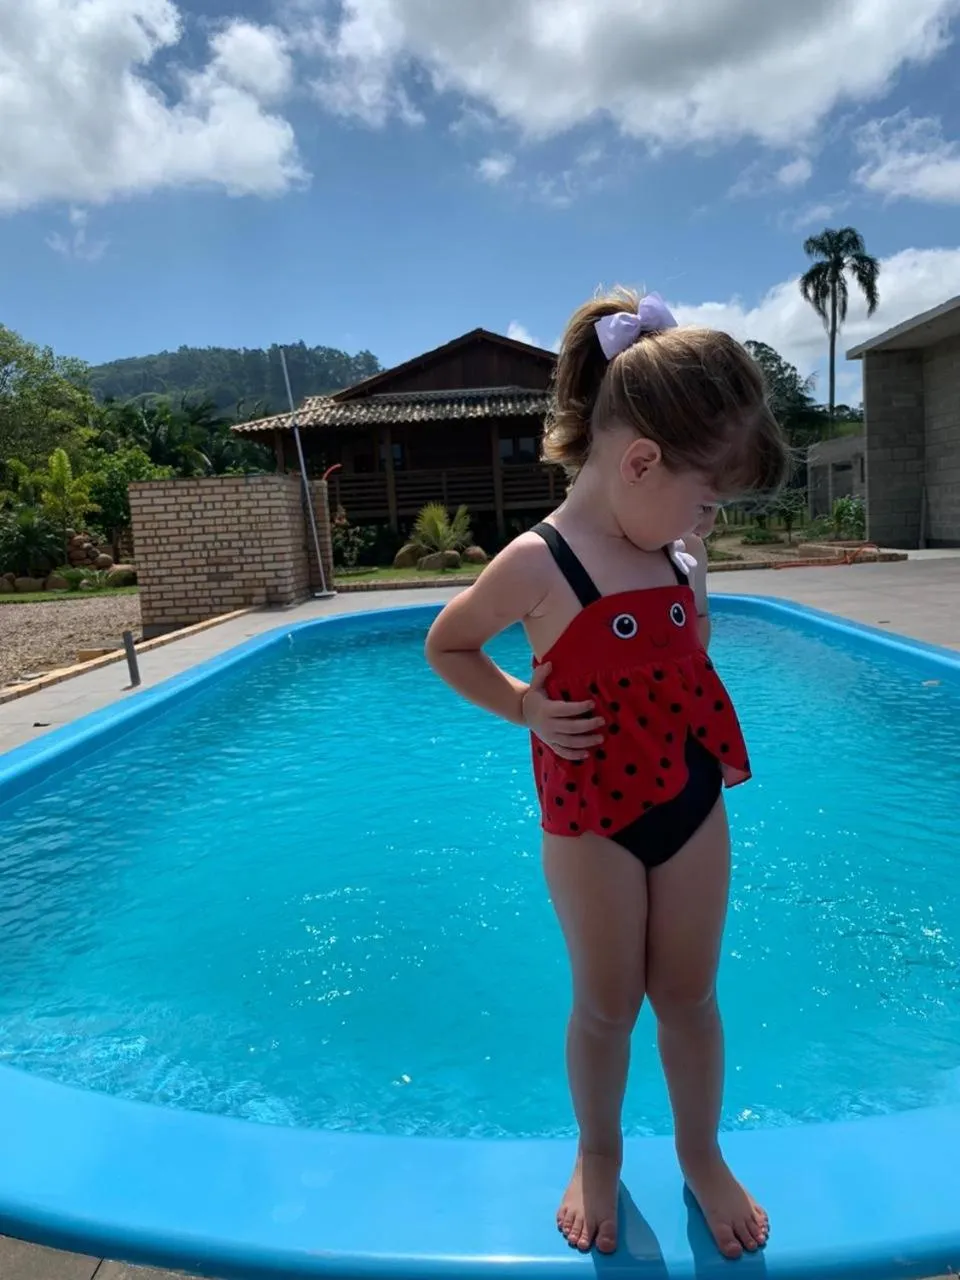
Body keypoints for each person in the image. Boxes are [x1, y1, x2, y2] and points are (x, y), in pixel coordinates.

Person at [425, 289, 788, 1259]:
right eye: (706, 498)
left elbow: (688, 651)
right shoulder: (538, 563)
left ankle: (701, 1151)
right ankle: (598, 1150)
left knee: (691, 993)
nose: (707, 523)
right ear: (638, 461)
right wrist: (524, 705)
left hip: (688, 795)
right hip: (589, 818)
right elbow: (448, 644)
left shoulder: (675, 552)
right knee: (606, 999)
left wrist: (692, 594)